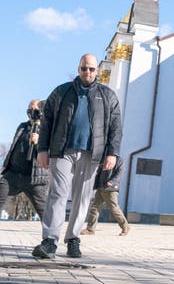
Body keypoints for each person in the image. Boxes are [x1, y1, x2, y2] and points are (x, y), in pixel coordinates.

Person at [32, 53, 122, 259]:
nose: (87, 72)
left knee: (82, 197)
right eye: (83, 68)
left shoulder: (107, 96)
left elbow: (115, 128)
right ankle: (49, 241)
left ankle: (73, 239)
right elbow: (47, 122)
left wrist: (112, 153)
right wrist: (42, 149)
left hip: (92, 154)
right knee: (58, 194)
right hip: (62, 151)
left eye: (91, 69)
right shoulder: (62, 92)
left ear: (97, 70)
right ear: (78, 69)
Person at [0, 99, 49, 220]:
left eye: (35, 109)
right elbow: (13, 147)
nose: (32, 112)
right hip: (13, 174)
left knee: (45, 213)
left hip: (34, 178)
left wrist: (39, 141)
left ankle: (51, 236)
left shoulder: (48, 128)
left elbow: (53, 152)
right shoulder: (22, 126)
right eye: (30, 109)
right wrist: (6, 166)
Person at [80, 155, 129, 236]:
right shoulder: (103, 157)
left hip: (110, 188)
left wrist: (112, 181)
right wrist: (95, 184)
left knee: (114, 208)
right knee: (95, 207)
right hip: (101, 186)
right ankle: (90, 229)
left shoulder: (119, 160)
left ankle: (125, 226)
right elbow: (99, 172)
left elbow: (119, 173)